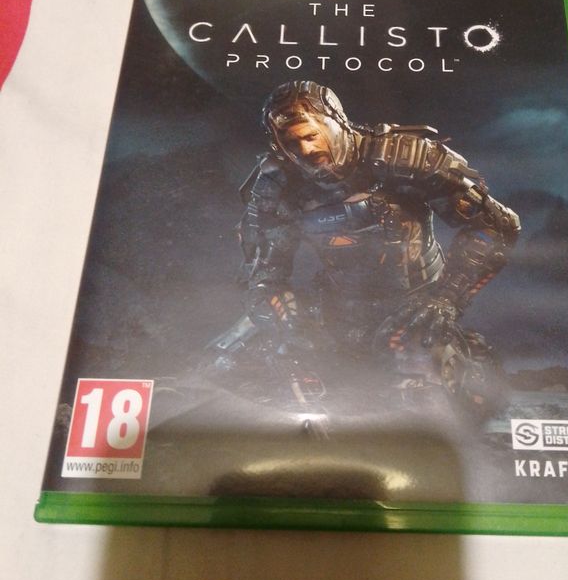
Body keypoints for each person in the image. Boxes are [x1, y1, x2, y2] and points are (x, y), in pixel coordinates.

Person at [222, 80, 520, 412]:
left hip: (415, 307)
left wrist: (447, 298)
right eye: (292, 143)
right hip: (337, 310)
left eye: (310, 136)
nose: (304, 150)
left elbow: (497, 226)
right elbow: (264, 276)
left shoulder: (406, 159)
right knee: (243, 368)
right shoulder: (278, 185)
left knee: (418, 388)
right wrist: (293, 330)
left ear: (337, 122)